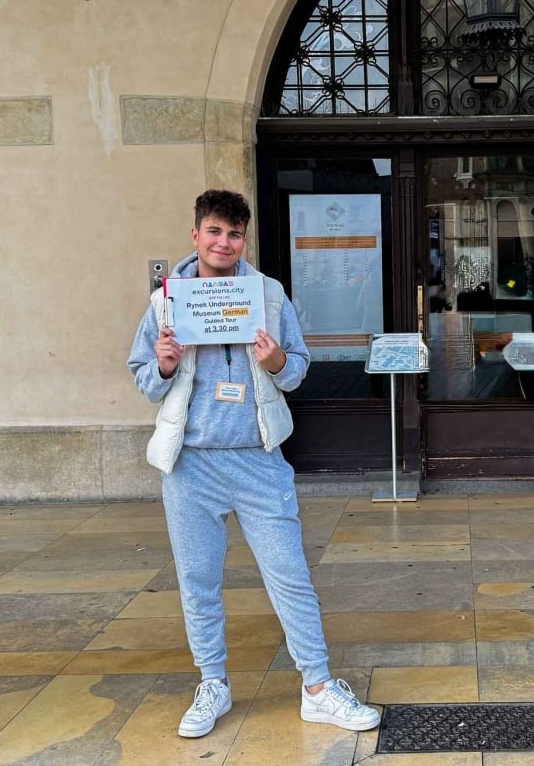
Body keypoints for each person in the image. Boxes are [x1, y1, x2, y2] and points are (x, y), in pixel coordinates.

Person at [127, 189, 380, 738]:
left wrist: (277, 359)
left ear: (245, 240)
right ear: (196, 235)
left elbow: (297, 372)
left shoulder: (267, 294)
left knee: (290, 575)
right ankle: (212, 683)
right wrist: (164, 366)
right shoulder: (166, 301)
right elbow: (143, 377)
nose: (224, 242)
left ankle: (318, 686)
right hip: (190, 464)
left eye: (234, 234)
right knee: (198, 580)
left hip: (259, 459)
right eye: (214, 231)